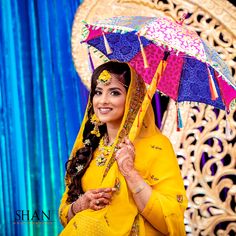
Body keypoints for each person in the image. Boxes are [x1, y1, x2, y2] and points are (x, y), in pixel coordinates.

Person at [59, 61, 188, 235]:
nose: (102, 101)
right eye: (98, 92)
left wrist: (129, 172)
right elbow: (64, 213)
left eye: (114, 92)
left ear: (132, 98)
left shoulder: (157, 146)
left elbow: (171, 219)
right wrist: (80, 205)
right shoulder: (88, 146)